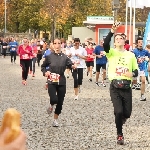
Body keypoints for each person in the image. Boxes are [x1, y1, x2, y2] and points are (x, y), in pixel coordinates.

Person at [103, 21, 138, 145]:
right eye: (116, 39)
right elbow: (105, 44)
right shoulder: (111, 53)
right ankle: (119, 134)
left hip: (127, 87)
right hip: (115, 86)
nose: (118, 40)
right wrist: (112, 31)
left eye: (120, 38)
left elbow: (136, 71)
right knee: (118, 111)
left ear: (124, 41)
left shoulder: (131, 55)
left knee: (127, 113)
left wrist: (132, 74)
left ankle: (120, 120)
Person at [41, 38, 76, 127]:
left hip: (61, 81)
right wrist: (45, 72)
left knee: (60, 102)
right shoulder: (49, 56)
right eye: (55, 43)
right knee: (54, 99)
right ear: (52, 45)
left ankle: (55, 120)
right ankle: (51, 104)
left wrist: (73, 66)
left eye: (59, 43)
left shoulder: (64, 57)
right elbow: (43, 67)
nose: (57, 45)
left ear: (61, 45)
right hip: (52, 80)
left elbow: (70, 64)